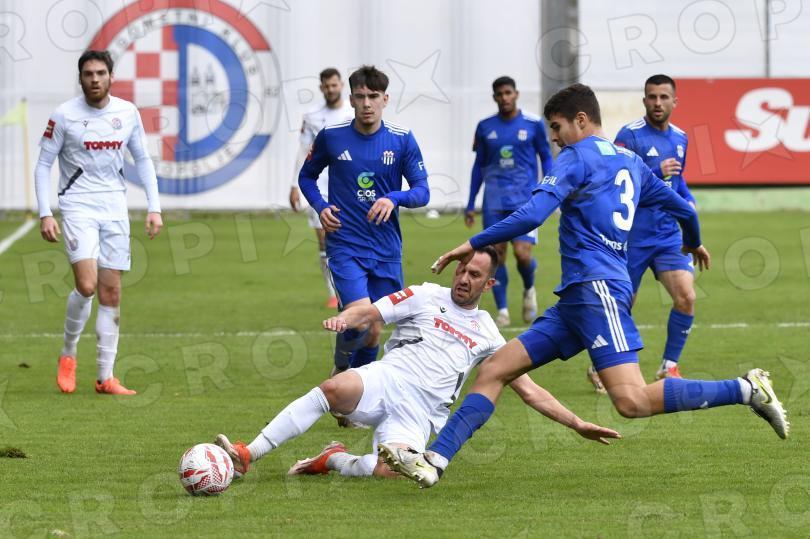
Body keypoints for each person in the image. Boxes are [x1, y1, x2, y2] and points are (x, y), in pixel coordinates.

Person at [379, 83, 789, 488]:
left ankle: (745, 389)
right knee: (495, 369)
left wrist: (472, 243)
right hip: (577, 298)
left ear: (580, 120)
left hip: (598, 291)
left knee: (631, 401)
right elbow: (684, 208)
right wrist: (693, 241)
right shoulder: (631, 161)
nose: (554, 139)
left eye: (557, 128)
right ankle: (434, 460)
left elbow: (532, 215)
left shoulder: (576, 157)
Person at [214, 248, 620, 478]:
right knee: (333, 388)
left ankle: (332, 458)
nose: (464, 279)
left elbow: (529, 390)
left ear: (489, 283)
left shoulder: (489, 333)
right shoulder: (425, 295)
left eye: (475, 275)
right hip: (388, 378)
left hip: (423, 411)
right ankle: (249, 453)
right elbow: (370, 311)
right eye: (462, 270)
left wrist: (577, 423)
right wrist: (346, 319)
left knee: (387, 473)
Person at [35, 50, 163, 395]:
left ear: (111, 77)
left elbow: (143, 159)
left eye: (100, 73)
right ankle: (68, 353)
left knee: (111, 291)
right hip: (78, 206)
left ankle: (105, 378)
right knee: (87, 285)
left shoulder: (127, 112)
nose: (94, 79)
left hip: (114, 208)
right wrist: (45, 212)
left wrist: (154, 208)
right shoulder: (64, 115)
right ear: (80, 78)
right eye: (88, 74)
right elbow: (43, 164)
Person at [297, 65, 430, 382]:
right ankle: (342, 369)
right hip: (345, 245)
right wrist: (321, 206)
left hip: (386, 249)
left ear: (385, 99)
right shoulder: (331, 136)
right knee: (359, 318)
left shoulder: (402, 139)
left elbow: (422, 192)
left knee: (373, 331)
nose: (367, 103)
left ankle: (355, 386)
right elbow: (307, 177)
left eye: (373, 96)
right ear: (351, 99)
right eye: (360, 96)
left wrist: (394, 198)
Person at [587, 74, 696, 393]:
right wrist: (656, 172)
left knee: (686, 296)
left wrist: (688, 201)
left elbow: (678, 181)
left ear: (675, 101)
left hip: (668, 235)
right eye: (652, 97)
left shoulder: (681, 138)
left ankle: (669, 366)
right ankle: (599, 364)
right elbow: (613, 180)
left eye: (664, 97)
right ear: (644, 100)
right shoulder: (629, 135)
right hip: (632, 237)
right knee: (621, 305)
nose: (657, 103)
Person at [465, 76, 553, 327]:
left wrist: (549, 187)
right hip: (494, 202)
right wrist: (471, 203)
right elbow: (479, 166)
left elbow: (546, 157)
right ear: (494, 97)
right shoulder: (485, 127)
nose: (504, 98)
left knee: (522, 254)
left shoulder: (534, 124)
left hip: (525, 201)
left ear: (516, 94)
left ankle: (529, 288)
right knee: (497, 256)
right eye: (499, 94)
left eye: (508, 93)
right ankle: (502, 310)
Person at [288, 68, 354, 309]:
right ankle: (333, 293)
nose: (330, 89)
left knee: (351, 238)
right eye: (326, 86)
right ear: (321, 88)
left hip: (349, 186)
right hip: (319, 188)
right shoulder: (312, 116)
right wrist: (294, 185)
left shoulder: (353, 113)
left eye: (334, 85)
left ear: (341, 85)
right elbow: (303, 151)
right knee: (325, 242)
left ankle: (354, 288)